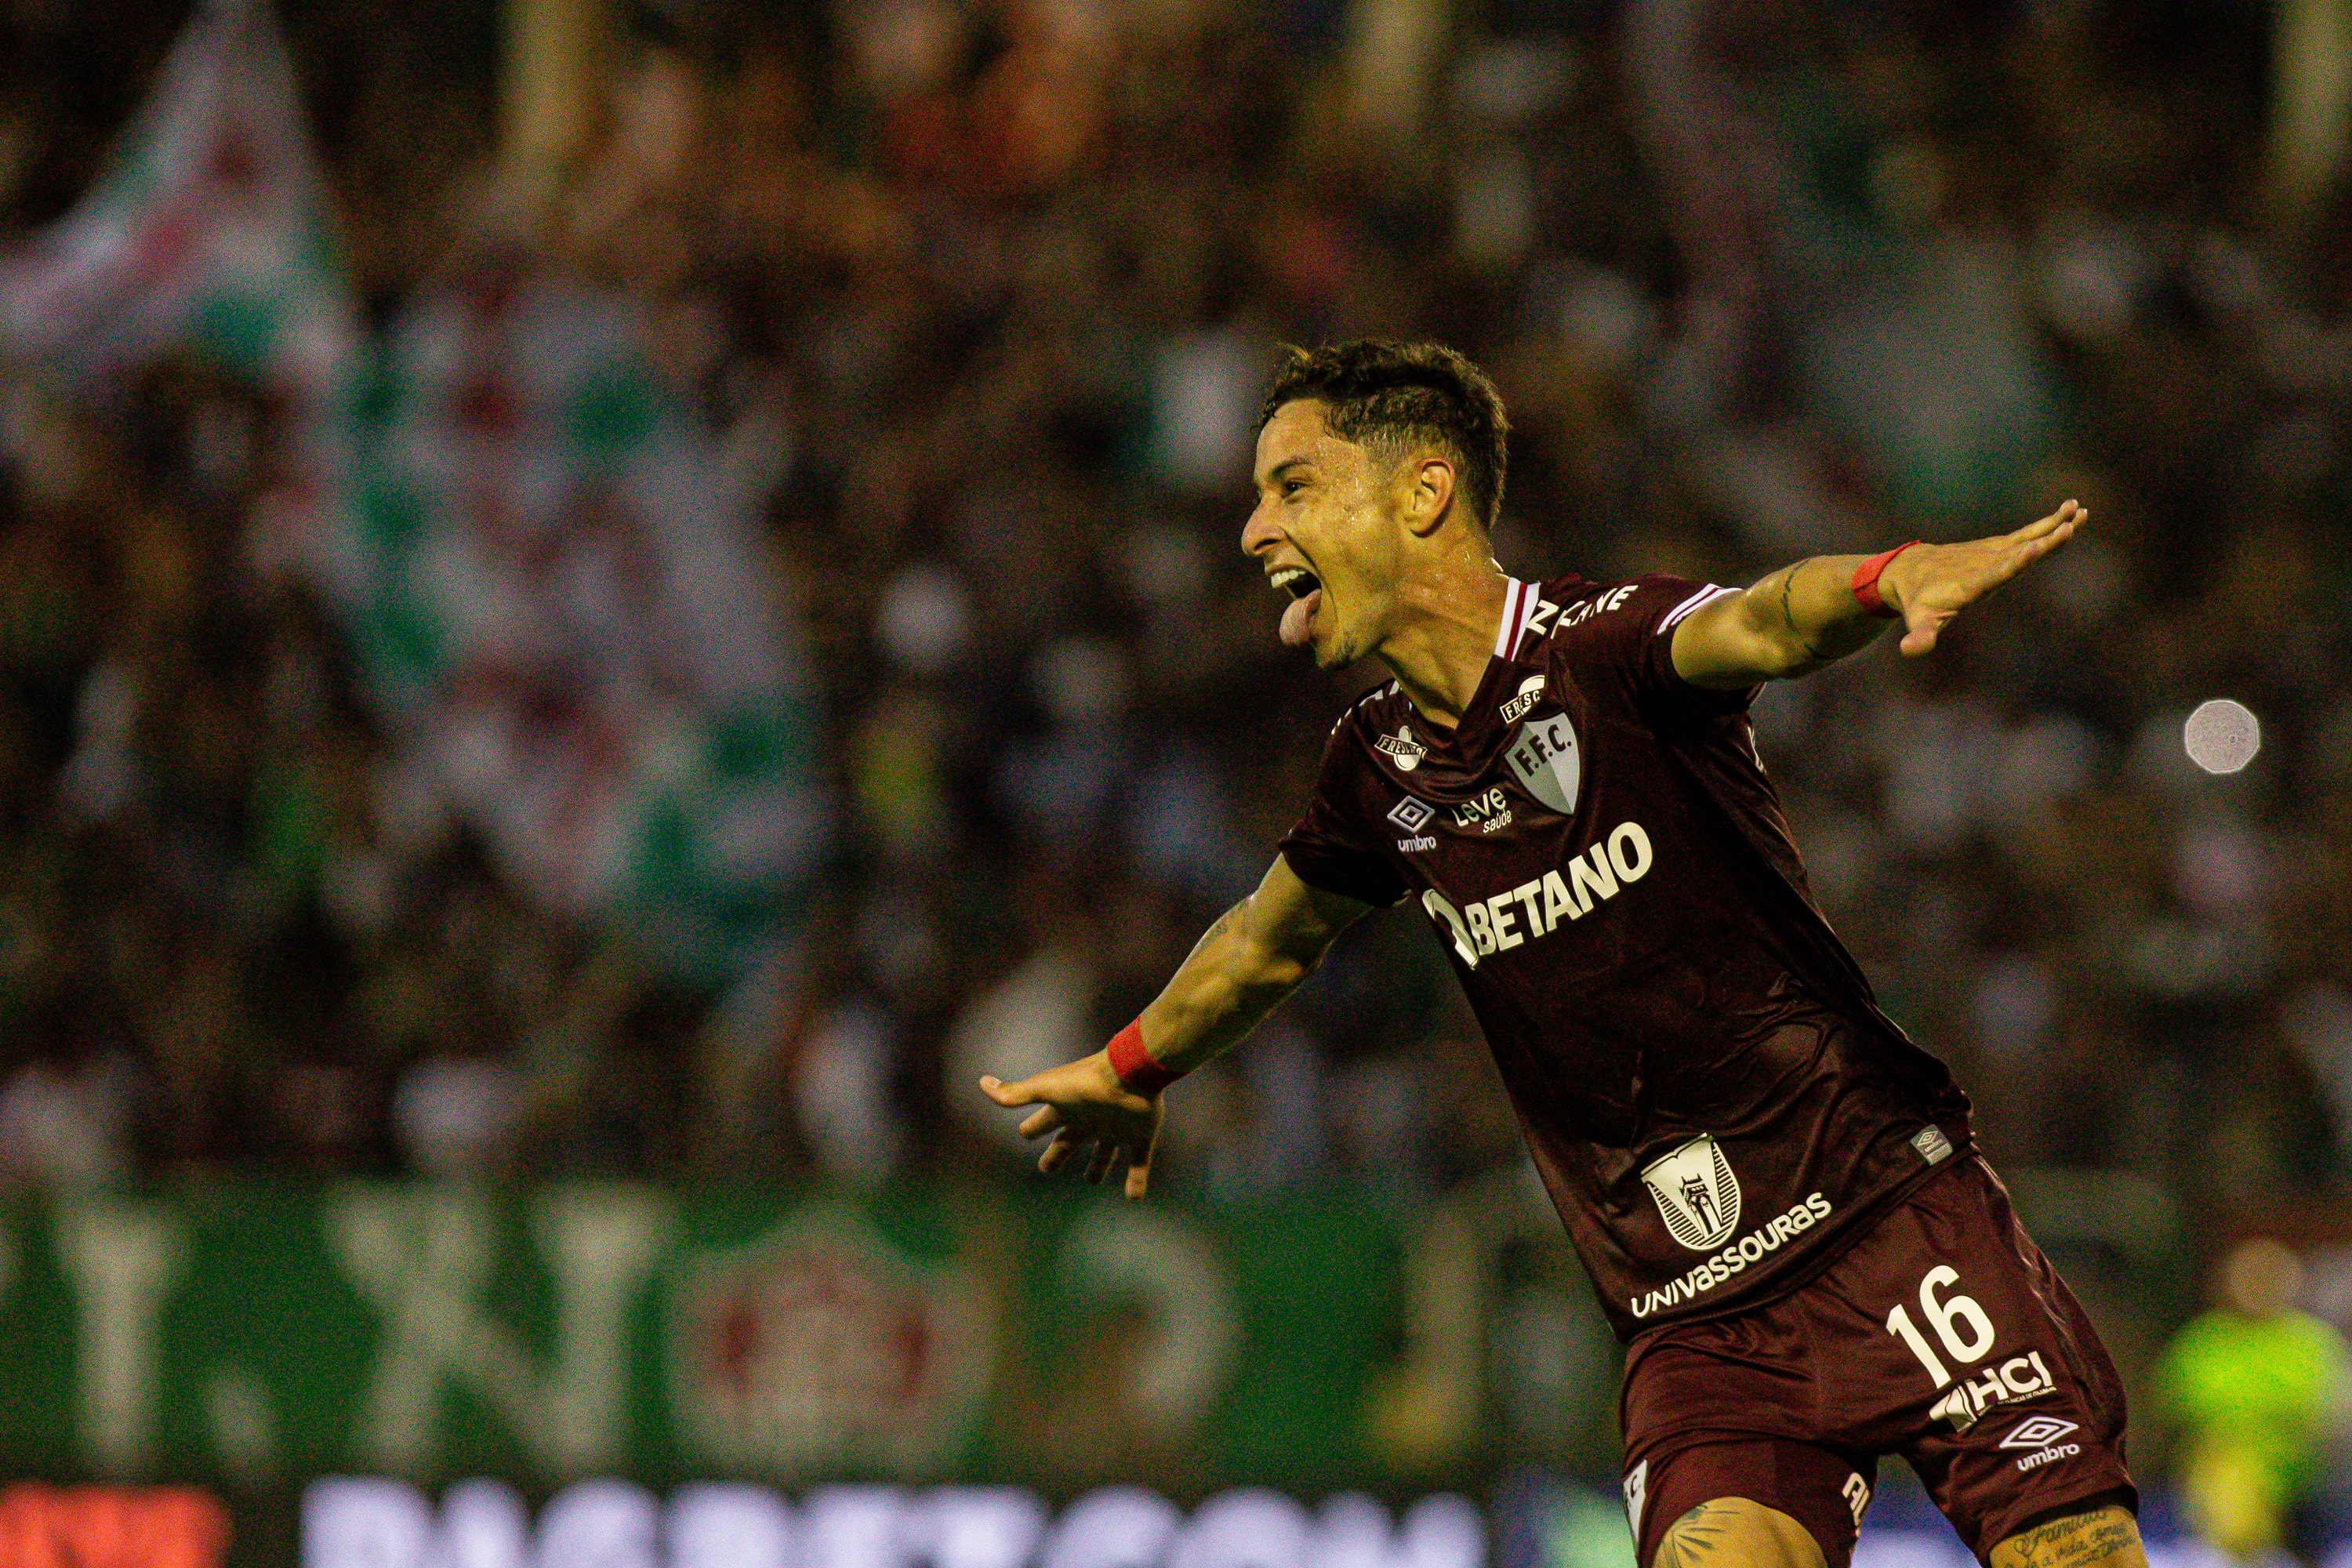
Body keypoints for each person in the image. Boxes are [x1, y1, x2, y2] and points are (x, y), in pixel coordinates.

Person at [978, 341, 2144, 1568]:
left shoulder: (1602, 651)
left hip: (1884, 1221)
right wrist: (1130, 1065)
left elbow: (1764, 620)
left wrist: (1888, 576)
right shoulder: (1373, 769)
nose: (1255, 529)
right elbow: (1265, 944)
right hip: (1695, 1325)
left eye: (1293, 487)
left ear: (1423, 493)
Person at [2156, 1236, 2350, 1562]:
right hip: (2221, 1475)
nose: (2260, 1288)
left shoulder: (2314, 1343)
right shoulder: (2201, 1343)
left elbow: (2331, 1418)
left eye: (2271, 1278)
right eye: (2250, 1279)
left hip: (2305, 1482)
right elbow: (2174, 1414)